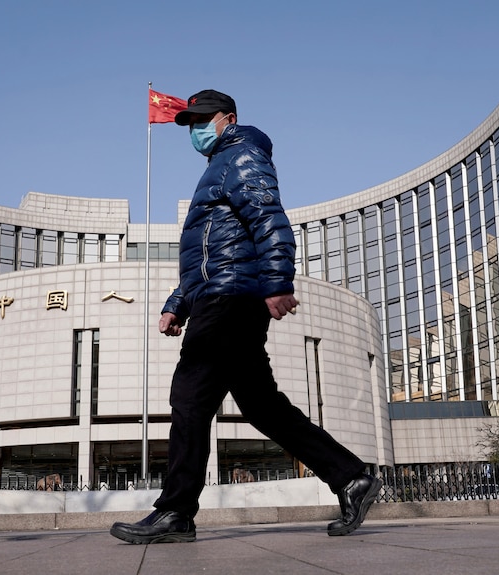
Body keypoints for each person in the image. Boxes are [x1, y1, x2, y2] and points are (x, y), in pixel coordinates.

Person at [110, 89, 382, 544]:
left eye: (202, 119)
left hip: (231, 299)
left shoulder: (241, 155)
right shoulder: (221, 164)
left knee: (191, 398)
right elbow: (207, 253)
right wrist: (178, 302)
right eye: (189, 122)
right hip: (221, 295)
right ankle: (351, 477)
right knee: (262, 406)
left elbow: (269, 219)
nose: (195, 129)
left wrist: (277, 282)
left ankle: (176, 512)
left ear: (227, 118)